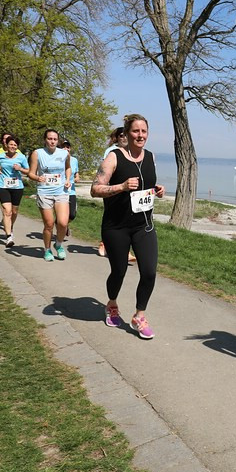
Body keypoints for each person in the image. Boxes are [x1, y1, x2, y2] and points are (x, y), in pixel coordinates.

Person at [91, 114, 165, 340]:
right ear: (127, 133)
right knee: (119, 271)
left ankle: (139, 316)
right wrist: (121, 187)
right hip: (116, 227)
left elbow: (146, 186)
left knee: (150, 272)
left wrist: (157, 190)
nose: (140, 135)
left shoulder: (150, 157)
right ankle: (112, 304)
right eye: (136, 131)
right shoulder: (114, 158)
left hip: (143, 226)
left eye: (144, 131)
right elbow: (95, 189)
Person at [28, 129, 72, 262]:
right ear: (45, 140)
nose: (52, 141)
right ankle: (47, 250)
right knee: (49, 224)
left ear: (57, 141)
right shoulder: (37, 153)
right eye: (49, 139)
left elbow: (68, 168)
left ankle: (58, 244)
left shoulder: (64, 153)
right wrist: (37, 178)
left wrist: (68, 179)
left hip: (61, 192)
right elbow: (31, 173)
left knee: (63, 223)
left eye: (55, 139)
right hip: (44, 192)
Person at [0, 135, 30, 246]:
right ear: (6, 145)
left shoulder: (21, 157)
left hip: (17, 187)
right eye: (11, 144)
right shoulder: (0, 156)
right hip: (3, 186)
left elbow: (28, 171)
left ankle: (9, 226)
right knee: (7, 211)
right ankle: (9, 236)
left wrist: (20, 169)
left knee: (14, 212)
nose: (13, 147)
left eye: (15, 145)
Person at [96, 127, 125, 258]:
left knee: (125, 218)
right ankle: (104, 242)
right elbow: (104, 170)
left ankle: (125, 249)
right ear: (117, 138)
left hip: (127, 191)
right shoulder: (111, 152)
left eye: (126, 135)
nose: (124, 138)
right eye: (121, 136)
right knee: (110, 217)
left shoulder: (132, 151)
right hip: (111, 190)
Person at [61, 139, 80, 239]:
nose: (66, 148)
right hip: (59, 191)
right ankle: (61, 230)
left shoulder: (74, 160)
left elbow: (77, 174)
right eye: (63, 147)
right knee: (61, 215)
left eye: (67, 147)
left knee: (72, 215)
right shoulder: (57, 159)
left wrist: (77, 178)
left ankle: (65, 225)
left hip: (71, 191)